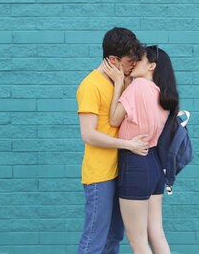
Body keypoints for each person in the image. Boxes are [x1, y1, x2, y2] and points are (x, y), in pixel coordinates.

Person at [76, 27, 150, 254]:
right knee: (94, 240)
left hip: (121, 172)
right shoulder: (90, 85)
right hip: (100, 175)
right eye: (129, 61)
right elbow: (88, 134)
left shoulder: (123, 82)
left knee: (114, 238)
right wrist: (129, 145)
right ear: (113, 60)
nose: (133, 65)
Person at [102, 45, 179, 254]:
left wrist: (119, 83)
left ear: (151, 66)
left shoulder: (138, 87)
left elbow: (114, 119)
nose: (134, 62)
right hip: (154, 164)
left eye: (140, 59)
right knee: (157, 234)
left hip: (135, 162)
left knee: (138, 242)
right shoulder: (162, 94)